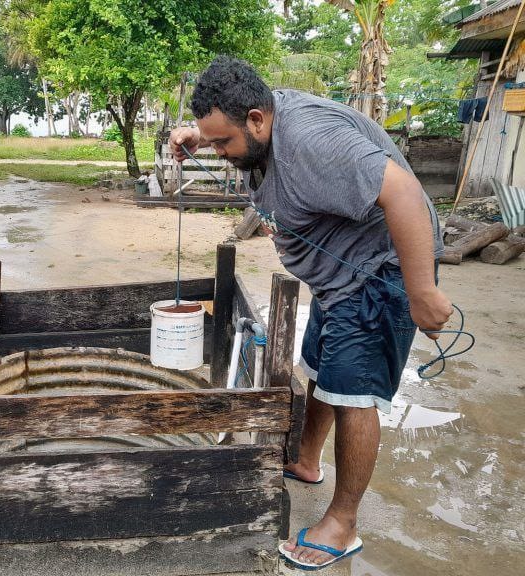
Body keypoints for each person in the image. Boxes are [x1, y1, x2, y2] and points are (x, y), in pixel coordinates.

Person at [169, 56, 453, 570]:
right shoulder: (257, 119)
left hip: (377, 270)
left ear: (257, 120)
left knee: (353, 392)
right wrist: (198, 135)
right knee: (320, 366)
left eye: (223, 143)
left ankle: (343, 524)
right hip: (334, 274)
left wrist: (422, 292)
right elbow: (230, 126)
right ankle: (306, 460)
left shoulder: (313, 144)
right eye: (213, 142)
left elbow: (405, 193)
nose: (220, 153)